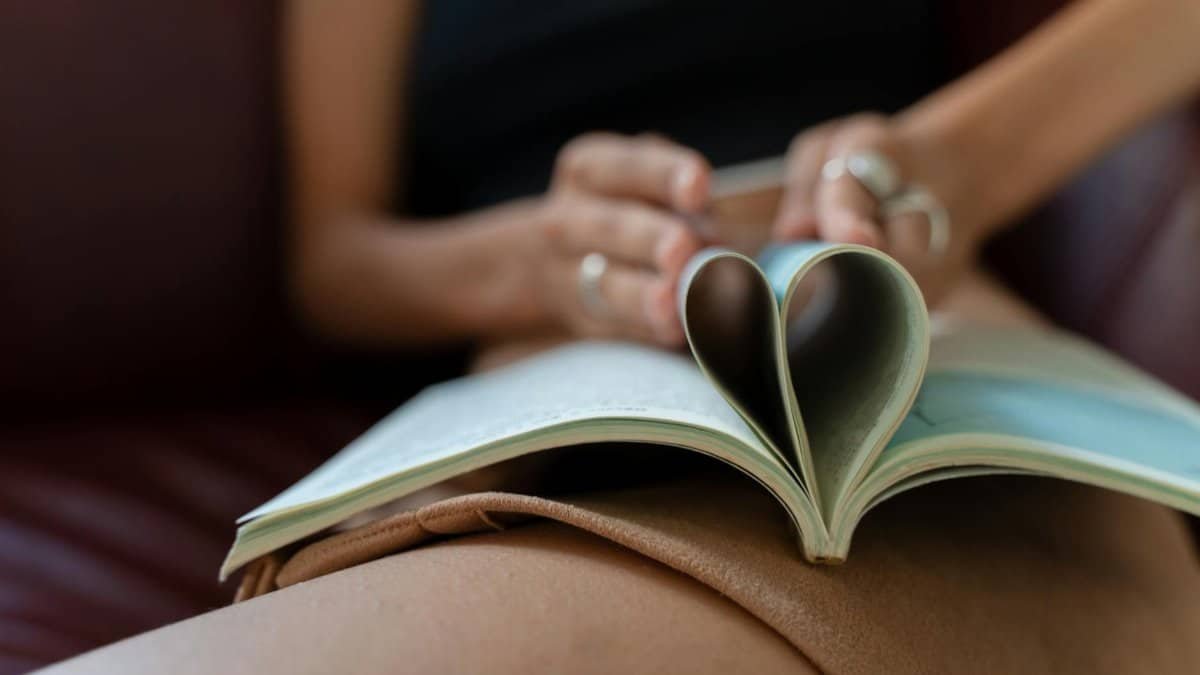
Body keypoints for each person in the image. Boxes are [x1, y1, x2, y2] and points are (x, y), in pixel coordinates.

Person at [47, 1, 1200, 673]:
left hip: (907, 325)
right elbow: (334, 264)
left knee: (1064, 576)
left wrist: (958, 158)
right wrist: (540, 257)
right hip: (557, 360)